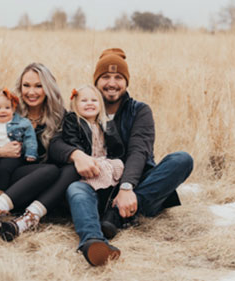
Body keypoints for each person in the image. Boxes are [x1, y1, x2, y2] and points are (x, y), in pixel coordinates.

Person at [50, 48, 194, 266]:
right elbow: (56, 143)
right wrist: (76, 155)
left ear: (126, 82)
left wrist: (127, 187)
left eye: (118, 77)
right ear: (96, 81)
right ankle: (93, 241)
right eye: (105, 77)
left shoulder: (139, 110)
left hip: (136, 187)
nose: (112, 83)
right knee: (75, 189)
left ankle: (115, 216)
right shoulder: (83, 107)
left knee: (182, 159)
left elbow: (139, 151)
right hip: (98, 184)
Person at [0, 63, 80, 243]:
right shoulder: (7, 109)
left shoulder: (60, 117)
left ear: (48, 88)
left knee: (69, 169)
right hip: (2, 179)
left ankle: (22, 222)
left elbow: (64, 149)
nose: (31, 92)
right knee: (50, 170)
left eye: (38, 86)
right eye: (26, 85)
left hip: (38, 183)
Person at [63, 85, 124, 192]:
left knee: (118, 165)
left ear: (100, 105)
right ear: (75, 105)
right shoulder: (73, 121)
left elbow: (116, 145)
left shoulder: (106, 123)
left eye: (94, 100)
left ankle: (108, 191)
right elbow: (72, 141)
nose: (89, 103)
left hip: (104, 160)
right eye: (84, 101)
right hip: (87, 162)